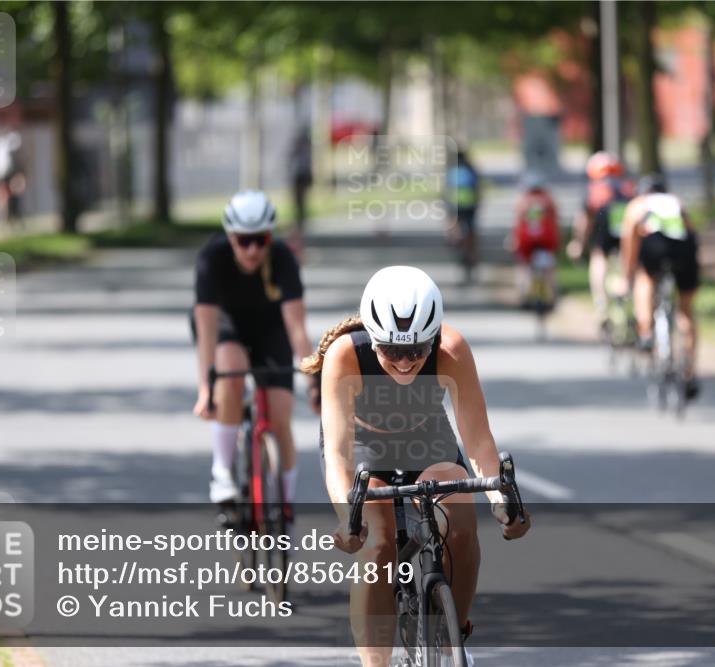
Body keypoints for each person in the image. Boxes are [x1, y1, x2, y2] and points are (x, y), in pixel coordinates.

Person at [302, 265, 530, 667]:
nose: (405, 362)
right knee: (377, 542)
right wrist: (347, 518)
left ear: (434, 338)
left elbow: (477, 440)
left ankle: (452, 642)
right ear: (373, 340)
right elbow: (337, 452)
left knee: (460, 518)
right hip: (363, 446)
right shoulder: (345, 355)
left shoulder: (452, 349)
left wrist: (500, 501)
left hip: (427, 441)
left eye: (416, 351)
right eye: (391, 350)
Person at [192, 190, 319, 504]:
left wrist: (313, 381)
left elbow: (296, 327)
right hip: (226, 325)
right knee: (231, 376)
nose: (250, 250)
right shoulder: (212, 258)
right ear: (229, 237)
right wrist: (206, 388)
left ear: (270, 236)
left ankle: (284, 508)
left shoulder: (283, 259)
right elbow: (206, 328)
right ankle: (221, 471)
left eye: (259, 240)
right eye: (241, 240)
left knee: (280, 415)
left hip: (269, 327)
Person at [619, 174, 701, 400]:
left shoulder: (638, 204)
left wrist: (627, 277)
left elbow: (630, 243)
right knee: (686, 311)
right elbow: (691, 234)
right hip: (685, 250)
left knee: (645, 278)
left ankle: (645, 331)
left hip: (656, 247)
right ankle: (689, 371)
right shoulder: (676, 202)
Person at [568, 151, 633, 324]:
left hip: (605, 224)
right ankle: (625, 293)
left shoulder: (594, 189)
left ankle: (602, 304)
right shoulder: (627, 187)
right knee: (625, 258)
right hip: (626, 224)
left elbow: (585, 220)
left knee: (599, 257)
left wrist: (579, 243)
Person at [511, 172, 560, 311]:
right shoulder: (548, 201)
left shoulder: (523, 201)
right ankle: (552, 295)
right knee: (550, 267)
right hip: (546, 238)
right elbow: (555, 221)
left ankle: (523, 295)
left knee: (524, 266)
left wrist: (514, 240)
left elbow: (518, 222)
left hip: (526, 239)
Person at [444, 149, 482, 283]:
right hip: (470, 205)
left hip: (455, 205)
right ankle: (473, 255)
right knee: (472, 231)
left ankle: (455, 241)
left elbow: (446, 190)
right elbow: (477, 188)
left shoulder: (451, 171)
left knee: (454, 225)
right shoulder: (471, 169)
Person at [0, 127, 25, 225]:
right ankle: (10, 216)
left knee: (2, 195)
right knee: (9, 195)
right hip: (6, 173)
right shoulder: (6, 145)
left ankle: (4, 216)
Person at [288, 125, 313, 256]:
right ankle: (299, 219)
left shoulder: (306, 148)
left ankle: (301, 220)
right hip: (298, 177)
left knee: (301, 201)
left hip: (301, 176)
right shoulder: (302, 147)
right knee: (298, 201)